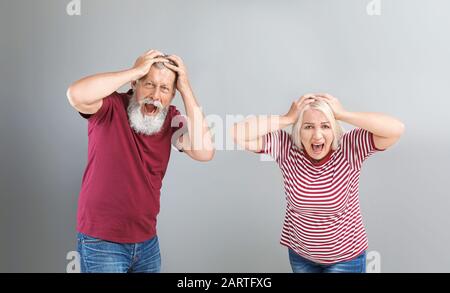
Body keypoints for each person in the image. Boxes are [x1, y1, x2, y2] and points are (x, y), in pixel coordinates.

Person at [67, 49, 214, 273]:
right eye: (148, 84)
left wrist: (184, 88)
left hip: (147, 243)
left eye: (165, 88)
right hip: (102, 244)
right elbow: (75, 94)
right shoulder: (110, 107)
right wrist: (134, 71)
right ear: (134, 83)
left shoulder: (170, 118)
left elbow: (205, 152)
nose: (155, 95)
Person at [231, 93, 404, 273]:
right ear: (298, 130)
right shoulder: (287, 148)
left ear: (334, 129)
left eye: (325, 126)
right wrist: (287, 118)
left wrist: (343, 114)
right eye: (308, 127)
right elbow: (237, 133)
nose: (317, 135)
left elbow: (395, 129)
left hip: (345, 259)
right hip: (301, 256)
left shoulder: (350, 147)